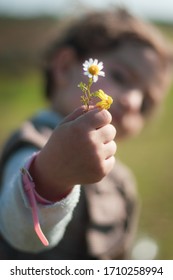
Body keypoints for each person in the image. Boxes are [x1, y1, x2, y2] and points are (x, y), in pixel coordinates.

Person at [0, 8, 172, 260]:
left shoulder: (120, 176)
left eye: (145, 103)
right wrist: (51, 178)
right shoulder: (33, 146)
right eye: (121, 76)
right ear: (66, 66)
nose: (133, 101)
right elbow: (19, 232)